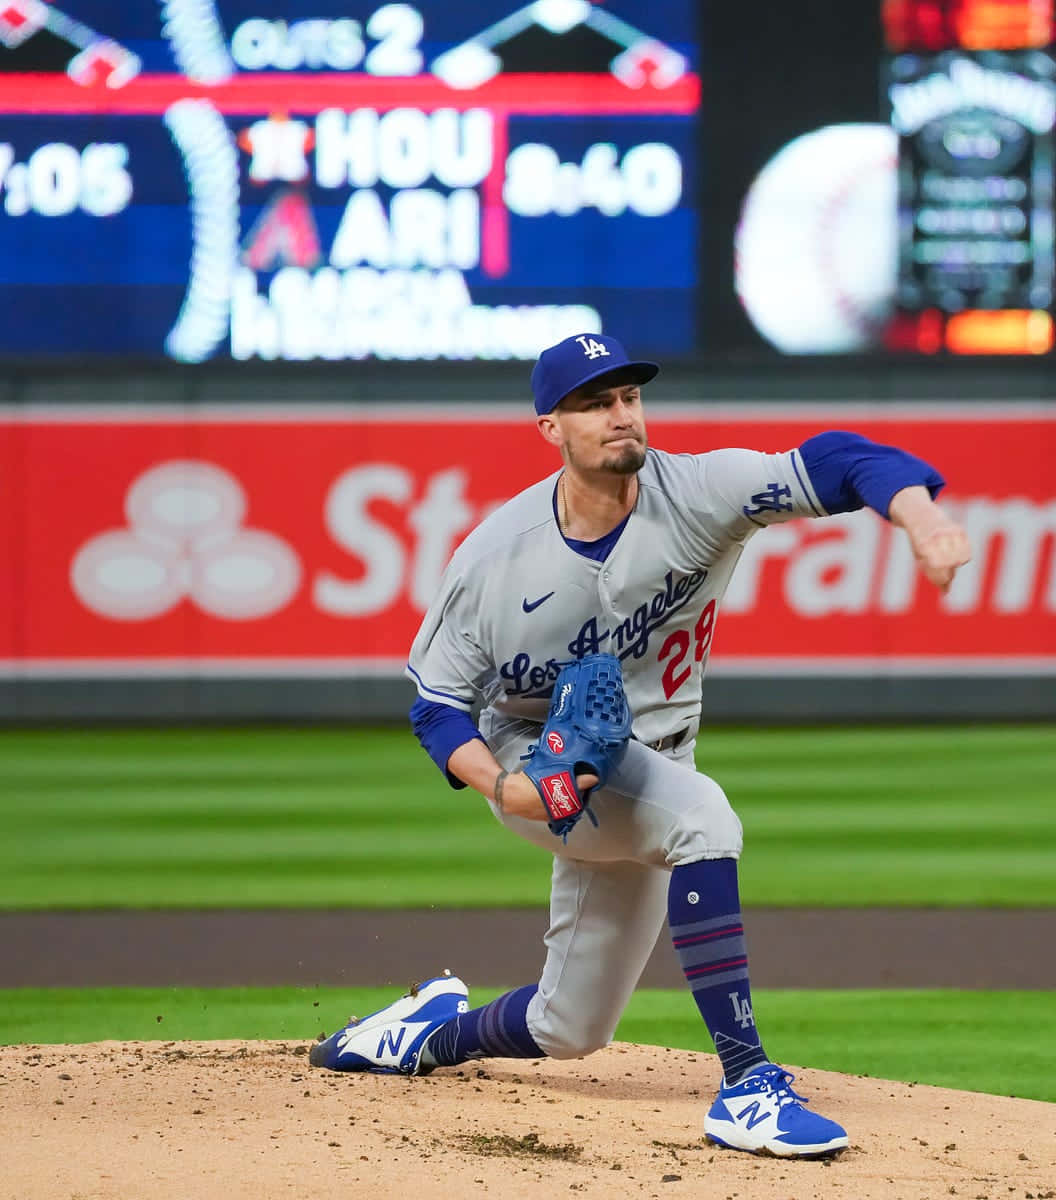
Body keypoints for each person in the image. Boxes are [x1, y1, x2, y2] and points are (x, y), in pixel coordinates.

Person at [310, 332, 971, 1158]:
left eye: (629, 397)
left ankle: (422, 1034)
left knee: (569, 1026)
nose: (620, 415)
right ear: (550, 427)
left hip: (652, 763)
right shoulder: (493, 559)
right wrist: (499, 787)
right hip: (539, 765)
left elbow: (839, 459)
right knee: (705, 821)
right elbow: (437, 707)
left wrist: (921, 514)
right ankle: (748, 1087)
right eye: (595, 403)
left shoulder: (697, 491)